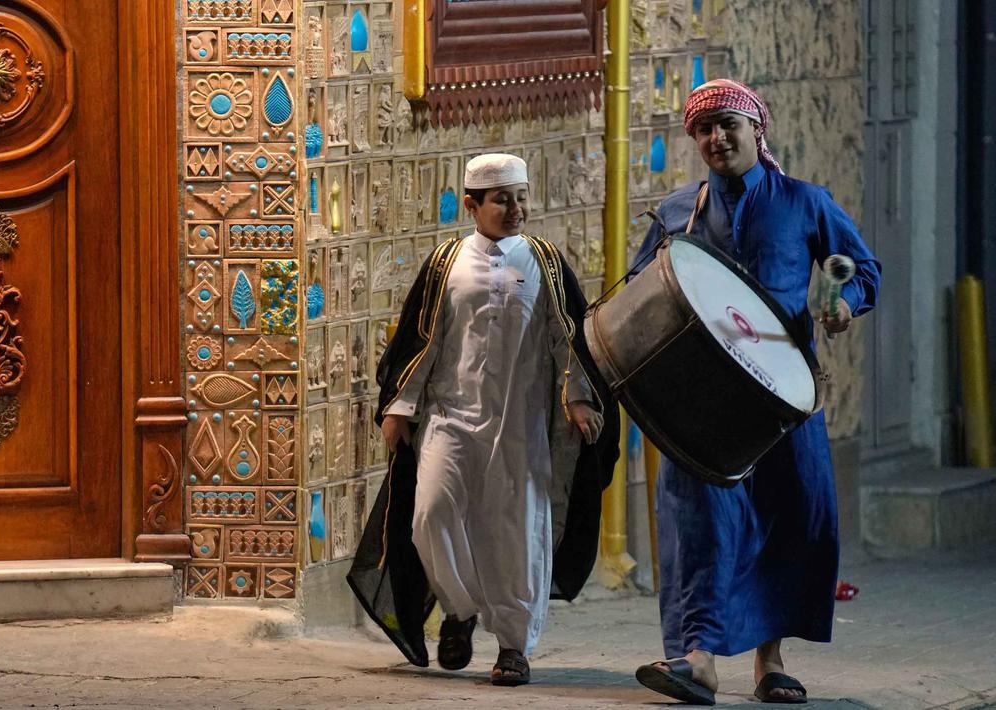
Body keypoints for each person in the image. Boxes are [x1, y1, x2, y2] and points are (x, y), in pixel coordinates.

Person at [632, 79, 881, 705]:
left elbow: (863, 270)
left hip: (784, 401)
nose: (717, 138)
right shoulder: (676, 213)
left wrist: (843, 306)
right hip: (702, 407)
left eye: (729, 126)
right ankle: (697, 661)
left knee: (788, 518)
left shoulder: (805, 202)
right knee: (700, 527)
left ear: (756, 132)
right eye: (705, 129)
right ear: (694, 139)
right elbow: (639, 287)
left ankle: (770, 663)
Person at [347, 153, 621, 686]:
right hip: (448, 417)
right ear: (472, 205)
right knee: (430, 516)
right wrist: (400, 408)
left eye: (521, 197)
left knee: (515, 532)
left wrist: (579, 396)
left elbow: (569, 338)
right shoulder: (446, 263)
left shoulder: (544, 260)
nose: (516, 208)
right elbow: (421, 340)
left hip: (521, 422)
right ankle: (458, 608)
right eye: (502, 199)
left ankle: (514, 646)